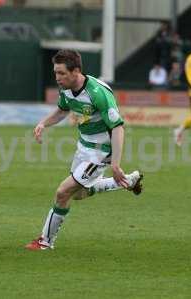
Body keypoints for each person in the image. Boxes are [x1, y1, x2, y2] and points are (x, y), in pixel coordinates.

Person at [25, 50, 143, 251]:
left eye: (62, 73)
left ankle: (45, 241)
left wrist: (115, 163)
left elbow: (117, 128)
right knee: (78, 194)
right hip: (84, 147)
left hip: (100, 152)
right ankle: (128, 181)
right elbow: (63, 109)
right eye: (56, 73)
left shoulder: (98, 93)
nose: (58, 78)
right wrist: (43, 123)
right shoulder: (66, 89)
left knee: (63, 192)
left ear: (76, 71)